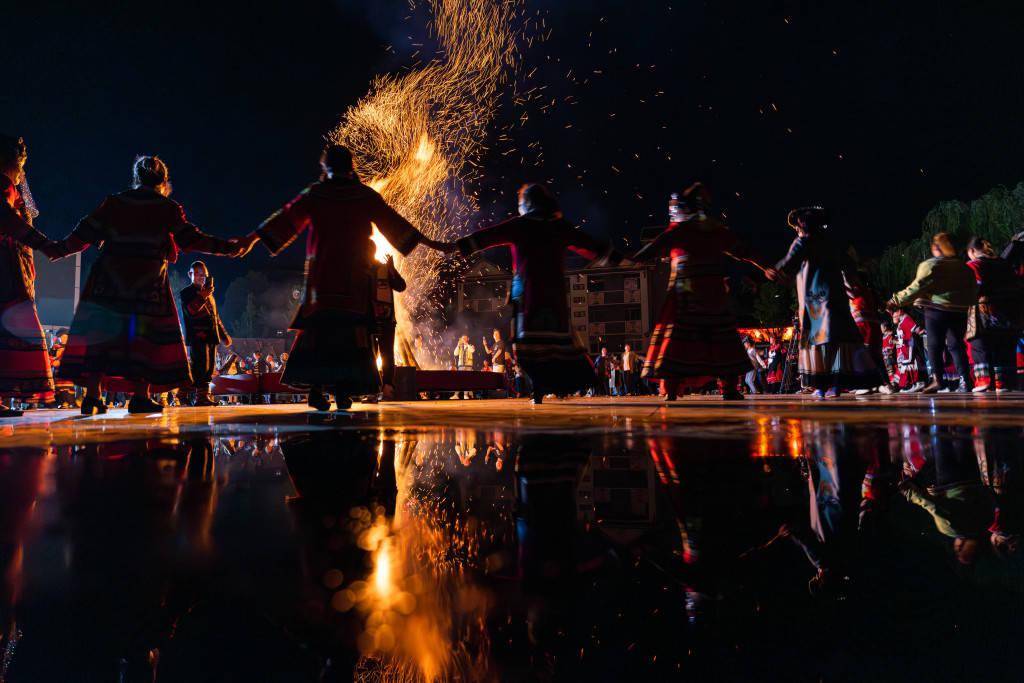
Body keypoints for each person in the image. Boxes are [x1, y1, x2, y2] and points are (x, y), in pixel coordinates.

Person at [229, 144, 443, 411]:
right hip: (353, 282)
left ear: (325, 168)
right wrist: (432, 243)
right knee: (351, 335)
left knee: (320, 333)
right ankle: (343, 391)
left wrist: (250, 239)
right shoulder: (363, 195)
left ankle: (318, 390)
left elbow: (286, 219)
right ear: (351, 167)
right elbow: (394, 223)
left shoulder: (317, 194)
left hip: (323, 281)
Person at [48, 155, 244, 415]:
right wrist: (228, 248)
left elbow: (83, 233)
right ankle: (141, 396)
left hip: (109, 281)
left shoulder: (114, 203)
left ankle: (93, 396)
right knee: (145, 338)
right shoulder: (167, 208)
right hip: (147, 283)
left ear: (136, 178)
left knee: (102, 336)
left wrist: (55, 250)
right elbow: (192, 239)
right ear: (164, 182)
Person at [440, 183, 620, 404]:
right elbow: (588, 243)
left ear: (527, 203)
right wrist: (616, 257)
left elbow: (488, 236)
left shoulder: (521, 225)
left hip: (528, 297)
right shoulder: (559, 226)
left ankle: (540, 390)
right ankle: (556, 386)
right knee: (555, 347)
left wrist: (455, 246)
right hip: (554, 298)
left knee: (528, 350)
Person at [634, 184, 773, 400]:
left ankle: (672, 389)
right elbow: (743, 251)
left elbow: (650, 250)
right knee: (719, 340)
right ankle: (728, 387)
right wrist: (766, 266)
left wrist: (624, 260)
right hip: (712, 294)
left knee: (680, 342)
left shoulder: (679, 231)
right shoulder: (713, 230)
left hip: (686, 294)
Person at [768, 206, 881, 398]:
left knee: (819, 343)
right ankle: (836, 386)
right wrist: (851, 286)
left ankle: (821, 387)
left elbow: (789, 262)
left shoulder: (803, 241)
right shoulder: (832, 243)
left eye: (797, 225)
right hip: (836, 298)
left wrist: (774, 270)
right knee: (838, 341)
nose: (796, 229)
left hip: (815, 301)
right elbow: (849, 266)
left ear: (802, 225)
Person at [0, 135, 57, 417]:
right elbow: (8, 221)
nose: (21, 170)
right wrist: (48, 246)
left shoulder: (13, 190)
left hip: (13, 268)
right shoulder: (2, 186)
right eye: (19, 163)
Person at [887, 232, 977, 393]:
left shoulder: (932, 265)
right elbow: (972, 291)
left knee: (935, 345)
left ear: (937, 248)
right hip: (959, 311)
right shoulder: (964, 267)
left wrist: (895, 301)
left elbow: (917, 287)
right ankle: (965, 380)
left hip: (936, 310)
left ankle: (938, 379)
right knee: (957, 345)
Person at [964, 237, 1022, 393]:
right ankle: (1004, 382)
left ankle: (985, 381)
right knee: (1004, 346)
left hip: (984, 313)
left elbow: (974, 287)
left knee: (980, 346)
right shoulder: (1004, 264)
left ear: (971, 251)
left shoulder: (974, 265)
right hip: (1008, 312)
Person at [180, 261, 231, 406]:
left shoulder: (210, 295)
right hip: (198, 337)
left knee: (209, 368)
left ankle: (199, 395)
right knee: (200, 367)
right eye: (197, 274)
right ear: (190, 274)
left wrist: (224, 335)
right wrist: (202, 296)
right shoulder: (186, 293)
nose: (201, 277)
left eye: (204, 275)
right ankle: (193, 396)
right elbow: (190, 311)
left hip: (211, 337)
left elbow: (216, 318)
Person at [373, 254, 406, 400]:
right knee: (371, 356)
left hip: (387, 321)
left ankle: (387, 387)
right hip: (370, 322)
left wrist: (392, 269)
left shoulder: (385, 269)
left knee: (387, 355)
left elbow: (401, 286)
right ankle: (373, 389)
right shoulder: (364, 270)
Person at [891, 308, 926, 392]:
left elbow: (915, 328)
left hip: (909, 347)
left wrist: (922, 331)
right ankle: (913, 384)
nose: (893, 317)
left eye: (894, 315)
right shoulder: (901, 321)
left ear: (899, 311)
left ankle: (918, 383)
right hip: (905, 348)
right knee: (907, 366)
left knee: (911, 364)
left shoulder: (906, 319)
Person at [452, 334, 475, 399]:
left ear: (468, 339)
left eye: (465, 338)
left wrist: (466, 344)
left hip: (468, 366)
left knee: (467, 381)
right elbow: (455, 353)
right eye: (463, 338)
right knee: (459, 381)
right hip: (461, 366)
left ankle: (466, 395)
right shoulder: (460, 346)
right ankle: (456, 395)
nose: (464, 339)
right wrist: (458, 345)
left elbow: (473, 350)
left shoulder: (470, 346)